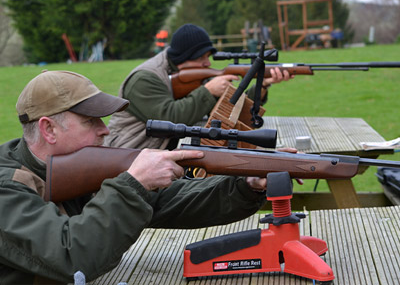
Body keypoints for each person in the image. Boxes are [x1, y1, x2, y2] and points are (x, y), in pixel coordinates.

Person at [0, 70, 269, 284]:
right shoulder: (6, 187)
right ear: (49, 129)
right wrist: (134, 183)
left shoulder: (75, 169)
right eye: (90, 120)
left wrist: (246, 184)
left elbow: (170, 200)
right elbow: (72, 259)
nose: (104, 130)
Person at [105, 23, 293, 150]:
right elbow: (169, 119)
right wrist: (208, 91)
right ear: (182, 58)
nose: (207, 64)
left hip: (153, 155)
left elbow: (233, 112)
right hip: (126, 155)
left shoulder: (192, 78)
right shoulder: (144, 79)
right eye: (200, 58)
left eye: (207, 57)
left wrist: (263, 84)